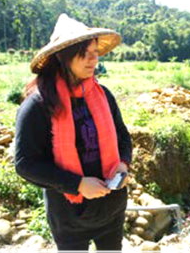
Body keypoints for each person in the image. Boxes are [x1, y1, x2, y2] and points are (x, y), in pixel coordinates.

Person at [15, 13, 132, 251]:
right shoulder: (39, 104)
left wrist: (123, 164)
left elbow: (122, 136)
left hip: (112, 209)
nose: (93, 60)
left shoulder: (102, 95)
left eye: (95, 53)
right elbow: (25, 164)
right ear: (63, 56)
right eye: (84, 54)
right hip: (69, 216)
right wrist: (77, 183)